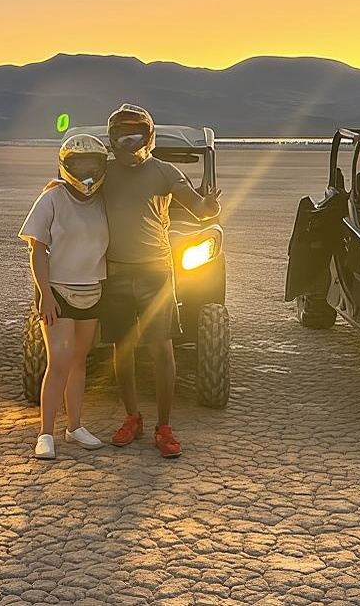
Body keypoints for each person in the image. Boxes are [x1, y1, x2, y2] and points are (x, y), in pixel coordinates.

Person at [100, 104, 221, 458]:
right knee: (121, 349)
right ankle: (132, 418)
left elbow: (200, 209)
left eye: (135, 131)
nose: (128, 139)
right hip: (116, 272)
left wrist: (210, 206)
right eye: (121, 132)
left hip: (155, 271)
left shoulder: (164, 172)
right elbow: (73, 192)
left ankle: (164, 427)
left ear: (148, 136)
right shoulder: (103, 173)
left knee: (161, 348)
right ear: (112, 138)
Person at [19, 133, 111, 460]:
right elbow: (37, 249)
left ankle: (74, 427)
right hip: (58, 291)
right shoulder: (52, 198)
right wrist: (45, 294)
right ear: (65, 165)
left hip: (93, 289)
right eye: (78, 164)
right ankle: (45, 433)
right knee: (57, 363)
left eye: (93, 163)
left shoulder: (105, 199)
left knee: (79, 362)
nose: (87, 171)